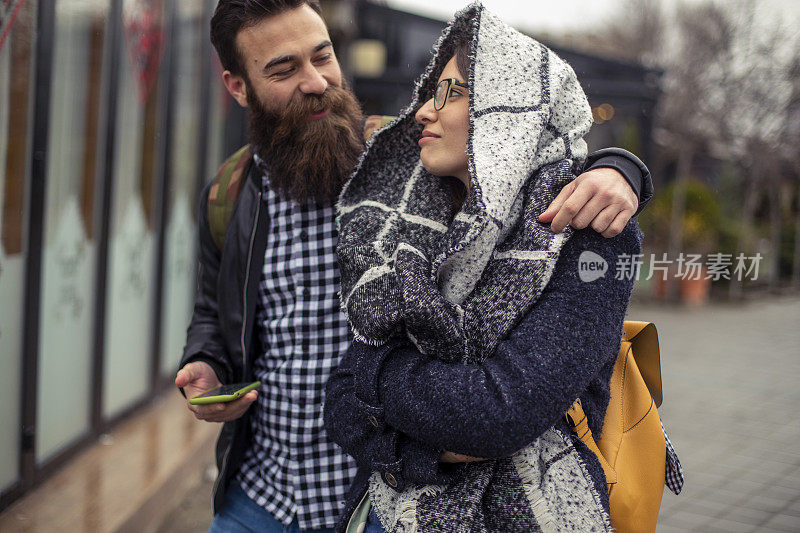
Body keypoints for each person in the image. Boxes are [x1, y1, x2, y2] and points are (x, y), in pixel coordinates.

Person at [175, 1, 654, 531]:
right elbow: (212, 309)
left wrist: (621, 168)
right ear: (238, 86)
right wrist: (207, 359)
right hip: (260, 495)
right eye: (284, 70)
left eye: (323, 56)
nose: (316, 81)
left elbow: (522, 162)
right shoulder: (230, 194)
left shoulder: (406, 162)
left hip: (373, 498)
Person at [325, 3, 644, 532]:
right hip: (383, 513)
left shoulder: (592, 233)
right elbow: (337, 406)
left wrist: (372, 373)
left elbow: (496, 414)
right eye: (430, 91)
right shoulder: (420, 222)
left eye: (451, 93)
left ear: (509, 111)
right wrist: (429, 453)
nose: (424, 110)